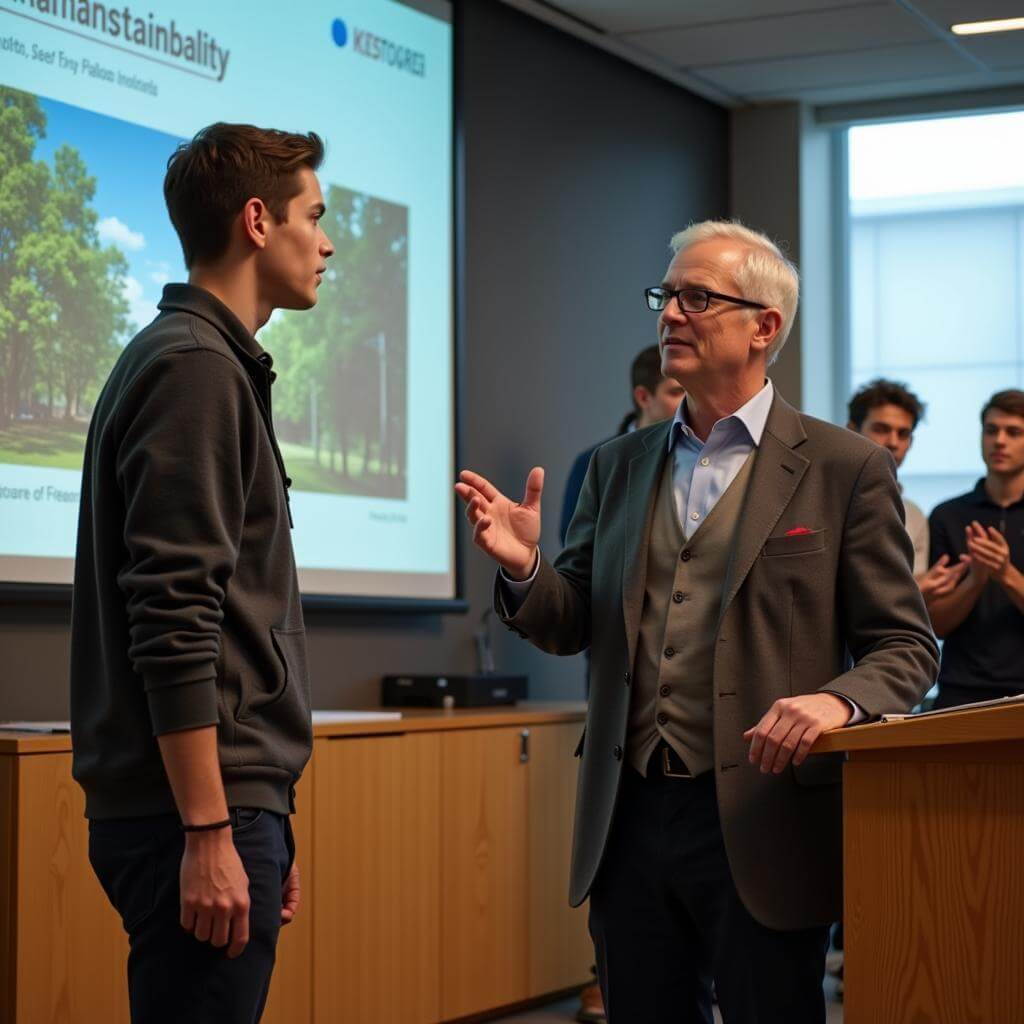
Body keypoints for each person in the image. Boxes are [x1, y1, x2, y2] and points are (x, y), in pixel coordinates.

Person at [455, 220, 938, 1024]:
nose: (670, 314)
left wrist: (837, 701)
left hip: (766, 817)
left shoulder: (843, 467)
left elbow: (905, 646)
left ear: (764, 327)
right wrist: (523, 568)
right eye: (666, 296)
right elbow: (573, 618)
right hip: (630, 815)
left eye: (697, 298)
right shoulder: (618, 465)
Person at [70, 123, 334, 1024]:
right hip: (190, 812)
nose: (327, 241)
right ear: (258, 221)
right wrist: (212, 828)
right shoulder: (193, 367)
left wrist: (261, 812)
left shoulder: (205, 359)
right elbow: (176, 616)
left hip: (222, 801)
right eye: (315, 215)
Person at [927, 389, 1024, 709]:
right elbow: (937, 625)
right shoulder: (947, 515)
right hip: (960, 692)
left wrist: (1005, 573)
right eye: (991, 430)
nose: (999, 441)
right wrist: (976, 579)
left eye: (1014, 432)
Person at [847, 378, 967, 606]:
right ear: (852, 430)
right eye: (881, 429)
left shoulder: (913, 515)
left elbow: (913, 588)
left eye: (903, 434)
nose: (893, 442)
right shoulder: (826, 498)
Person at [560, 345, 684, 546]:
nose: (688, 401)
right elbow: (573, 545)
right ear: (643, 397)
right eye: (677, 392)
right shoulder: (595, 463)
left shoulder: (698, 456)